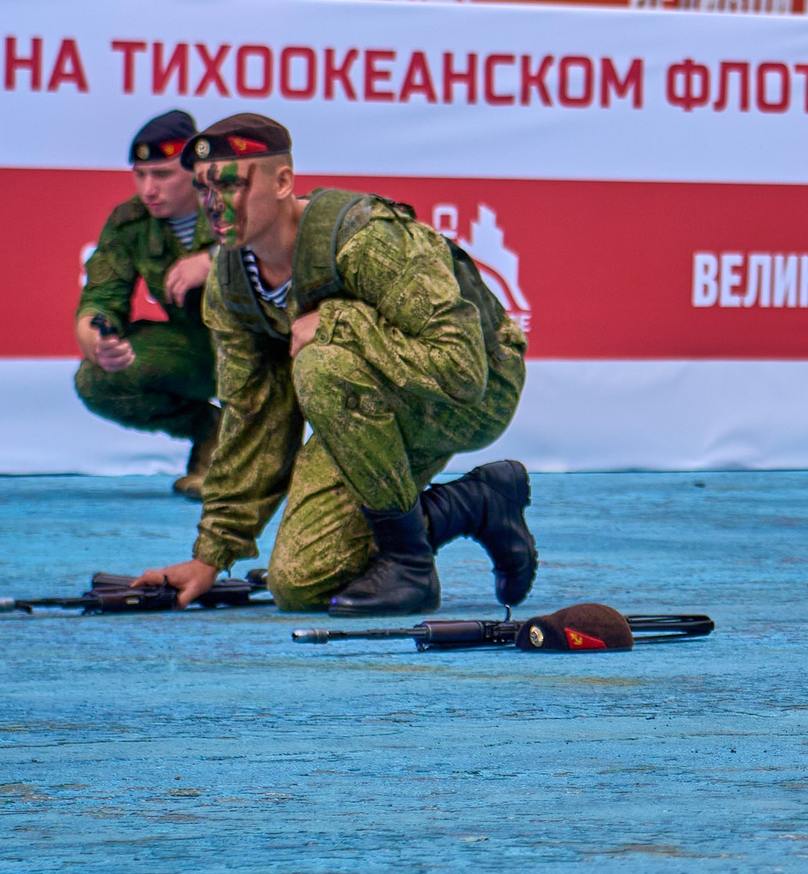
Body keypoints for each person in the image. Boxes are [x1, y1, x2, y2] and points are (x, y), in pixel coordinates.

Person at [131, 114, 538, 616]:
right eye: (203, 187)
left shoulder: (365, 238)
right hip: (362, 407)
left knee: (321, 364)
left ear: (283, 182)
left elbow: (462, 367)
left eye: (231, 184)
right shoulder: (231, 282)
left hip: (473, 395)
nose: (214, 203)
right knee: (298, 582)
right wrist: (211, 556)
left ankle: (408, 564)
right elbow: (252, 418)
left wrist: (339, 324)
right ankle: (478, 503)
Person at [76, 110, 219, 499]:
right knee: (96, 380)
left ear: (197, 170)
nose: (148, 189)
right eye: (141, 175)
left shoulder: (240, 201)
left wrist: (214, 262)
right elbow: (101, 297)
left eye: (163, 174)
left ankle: (255, 458)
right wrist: (97, 338)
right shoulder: (131, 223)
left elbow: (290, 255)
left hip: (269, 348)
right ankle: (213, 431)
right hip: (203, 348)